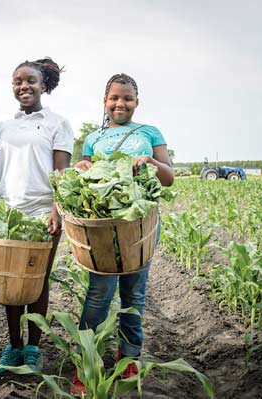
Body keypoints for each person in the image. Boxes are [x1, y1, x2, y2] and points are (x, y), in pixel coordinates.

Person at [0, 58, 73, 373]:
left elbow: (62, 172)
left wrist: (57, 210)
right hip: (8, 215)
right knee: (10, 283)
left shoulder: (57, 123)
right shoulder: (2, 127)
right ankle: (13, 345)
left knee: (36, 282)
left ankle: (33, 348)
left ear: (43, 86)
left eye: (30, 81)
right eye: (17, 81)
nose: (23, 86)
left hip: (42, 214)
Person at [69, 73, 174, 396]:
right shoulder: (94, 138)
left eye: (127, 98)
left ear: (136, 102)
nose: (120, 104)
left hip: (139, 227)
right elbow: (82, 177)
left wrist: (151, 161)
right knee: (99, 293)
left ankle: (128, 357)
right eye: (114, 98)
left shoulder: (149, 133)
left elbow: (168, 177)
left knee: (134, 294)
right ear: (105, 102)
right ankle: (87, 360)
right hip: (102, 228)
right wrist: (80, 168)